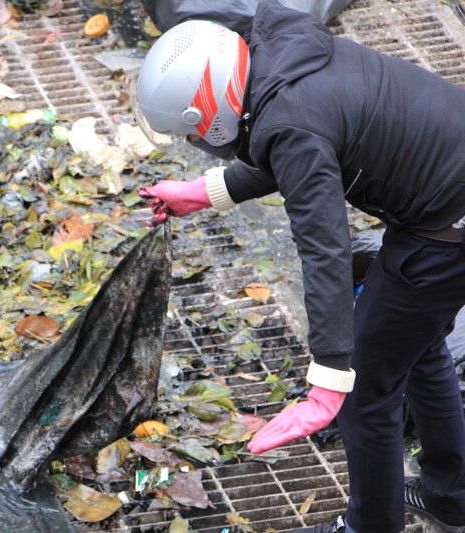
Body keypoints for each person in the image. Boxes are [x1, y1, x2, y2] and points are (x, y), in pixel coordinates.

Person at [131, 1, 465, 532]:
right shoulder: (277, 54)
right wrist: (204, 193)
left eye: (191, 134)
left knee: (363, 392)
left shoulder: (290, 124)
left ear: (209, 111)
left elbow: (325, 250)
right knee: (415, 347)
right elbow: (306, 144)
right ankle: (451, 497)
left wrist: (329, 379)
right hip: (446, 193)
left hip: (445, 232)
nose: (194, 143)